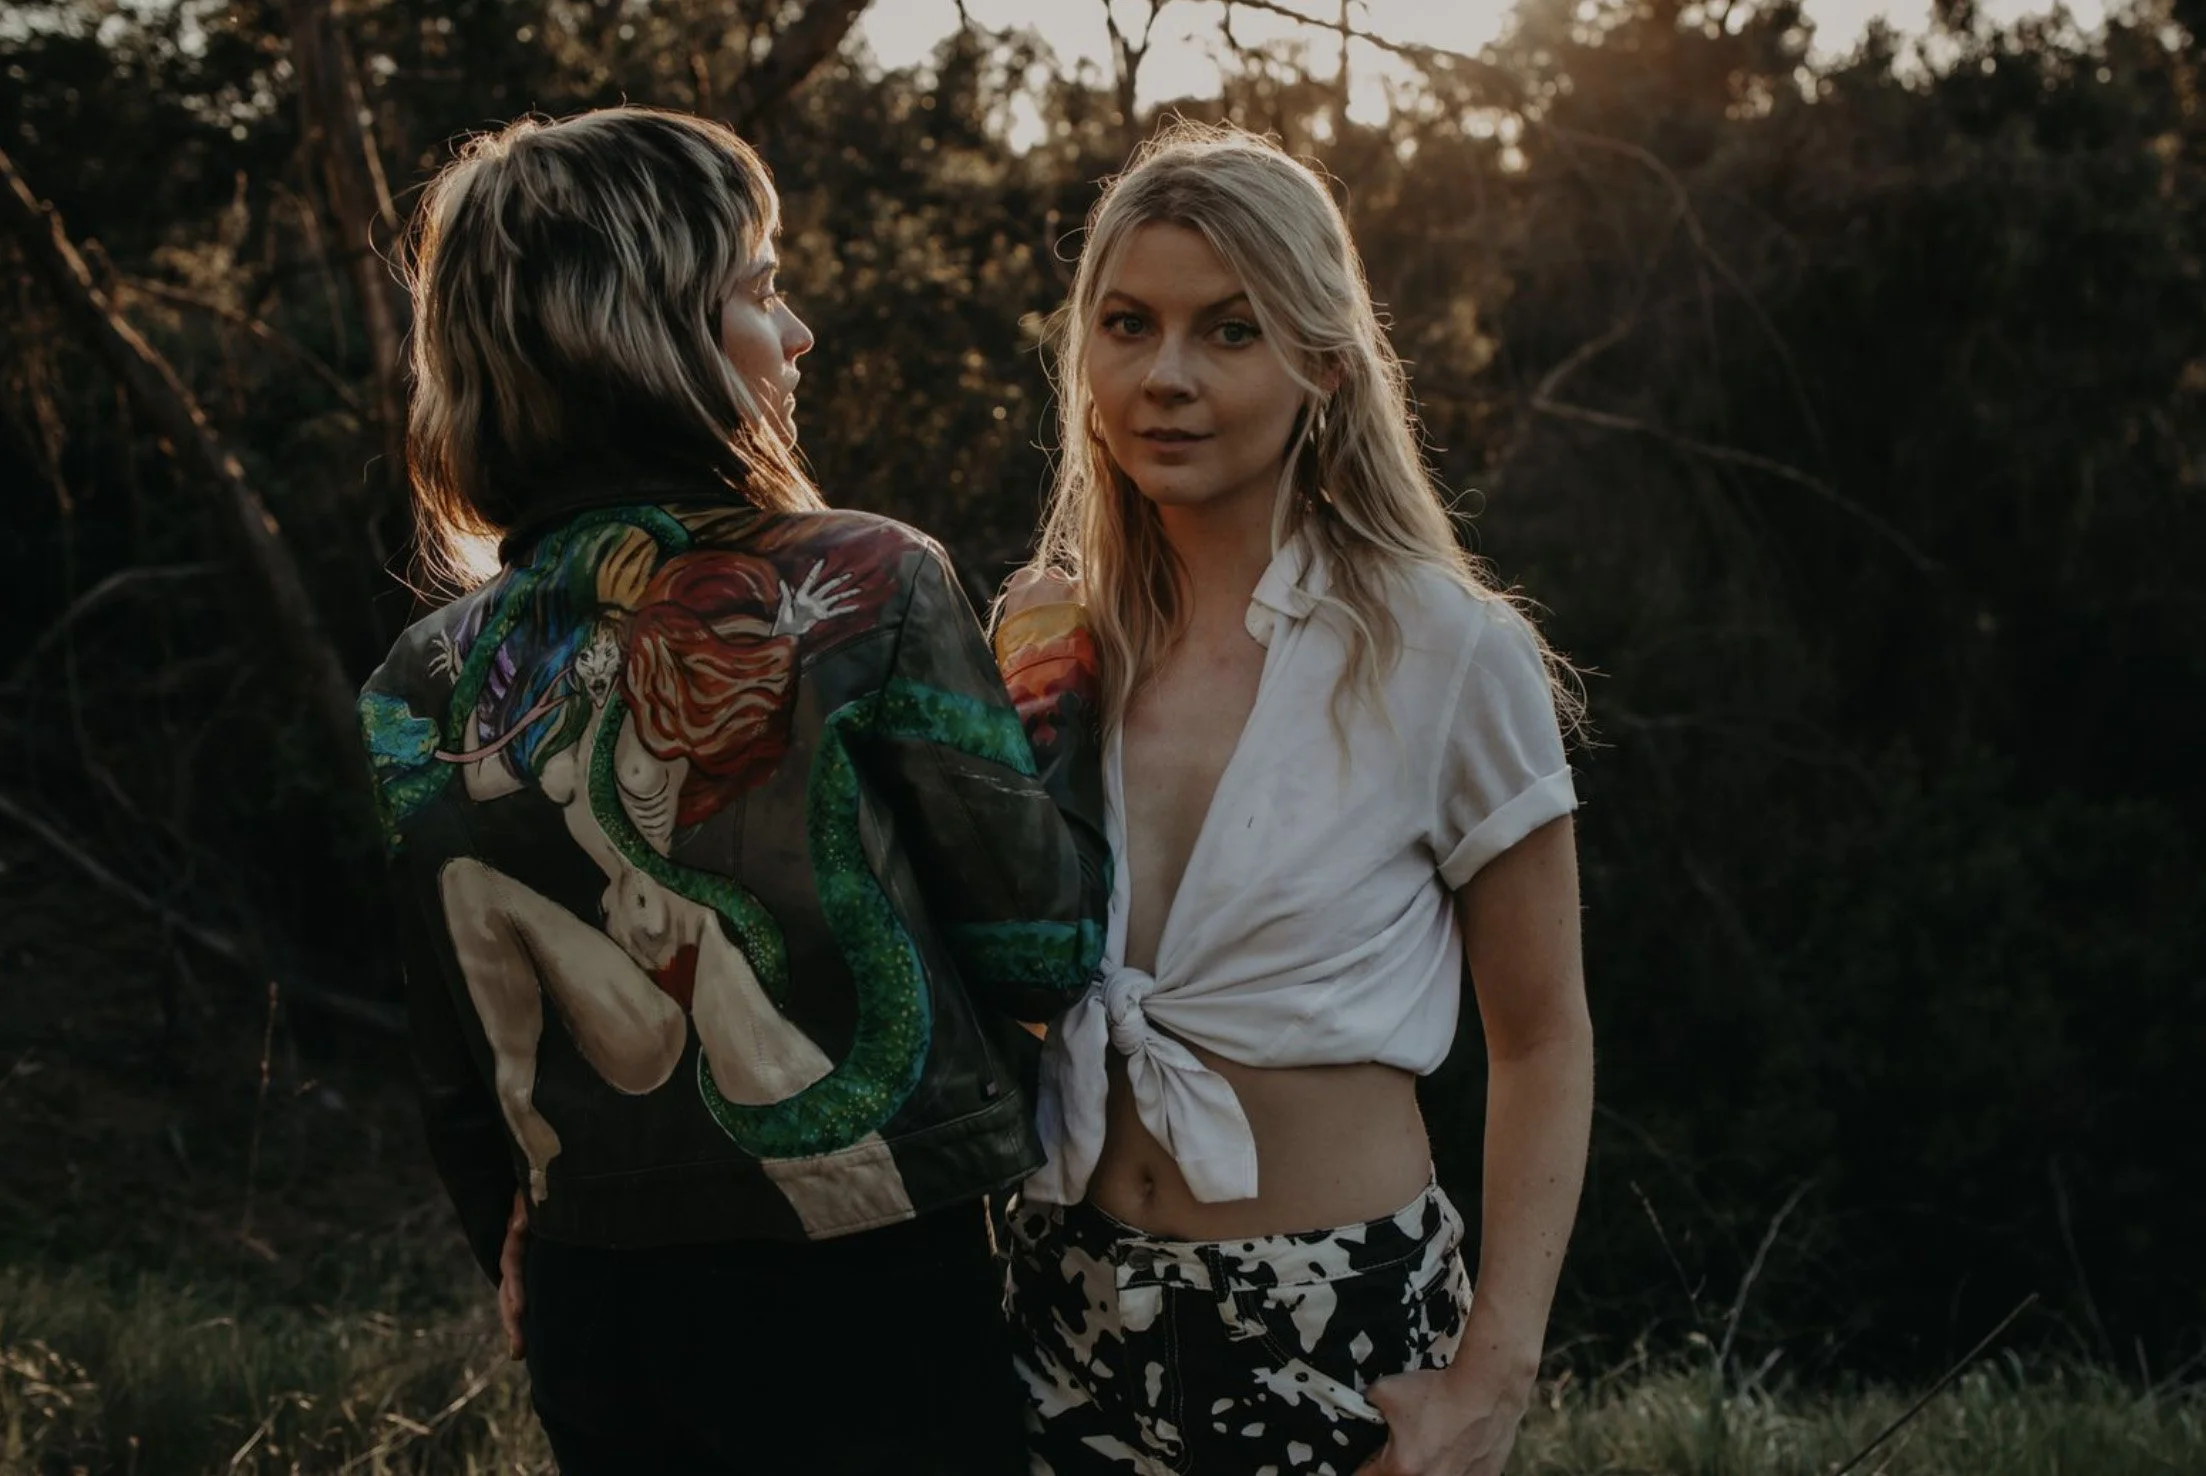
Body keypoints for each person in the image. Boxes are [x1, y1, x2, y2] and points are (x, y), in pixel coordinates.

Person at [356, 106, 1108, 1474]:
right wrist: (1053, 706)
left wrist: (519, 1255)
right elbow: (1044, 949)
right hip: (874, 1290)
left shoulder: (419, 680)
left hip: (600, 1311)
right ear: (645, 331)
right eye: (761, 290)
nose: (799, 331)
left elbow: (464, 1077)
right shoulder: (868, 582)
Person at [994, 121, 1595, 1476]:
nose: (1164, 377)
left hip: (1328, 1327)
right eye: (1127, 324)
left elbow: (1544, 1040)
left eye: (1228, 332)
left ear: (1322, 358)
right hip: (1056, 1310)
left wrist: (1490, 1382)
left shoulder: (1448, 655)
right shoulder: (1047, 643)